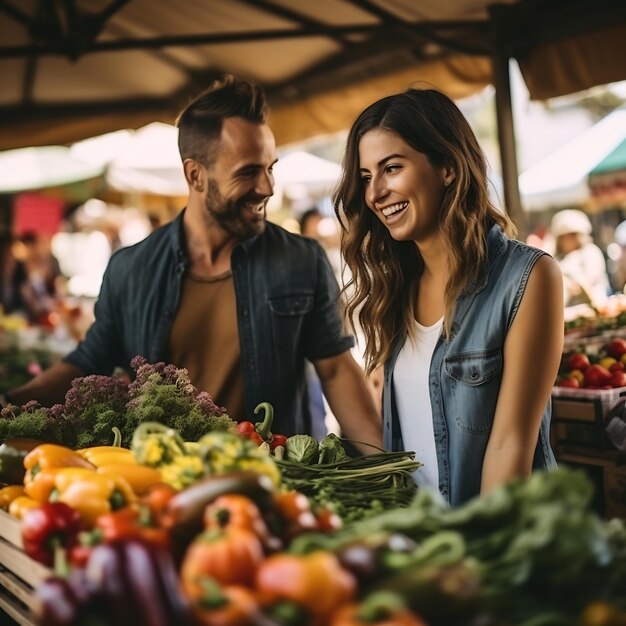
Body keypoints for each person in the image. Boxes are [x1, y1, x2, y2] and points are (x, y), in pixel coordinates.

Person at [5, 75, 382, 452]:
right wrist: (12, 402)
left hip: (277, 481)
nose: (267, 187)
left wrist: (385, 462)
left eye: (270, 168)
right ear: (195, 174)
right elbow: (89, 360)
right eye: (248, 171)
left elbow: (335, 369)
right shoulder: (131, 270)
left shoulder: (300, 259)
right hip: (168, 484)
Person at [334, 87, 563, 504]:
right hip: (419, 542)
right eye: (366, 177)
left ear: (448, 168)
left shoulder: (528, 277)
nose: (374, 194)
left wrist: (476, 553)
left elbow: (510, 444)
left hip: (490, 545)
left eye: (391, 168)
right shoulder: (395, 290)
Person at [550, 209, 610, 308]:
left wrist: (573, 286)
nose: (568, 240)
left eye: (572, 235)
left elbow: (589, 281)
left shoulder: (590, 252)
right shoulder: (557, 259)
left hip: (593, 310)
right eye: (564, 237)